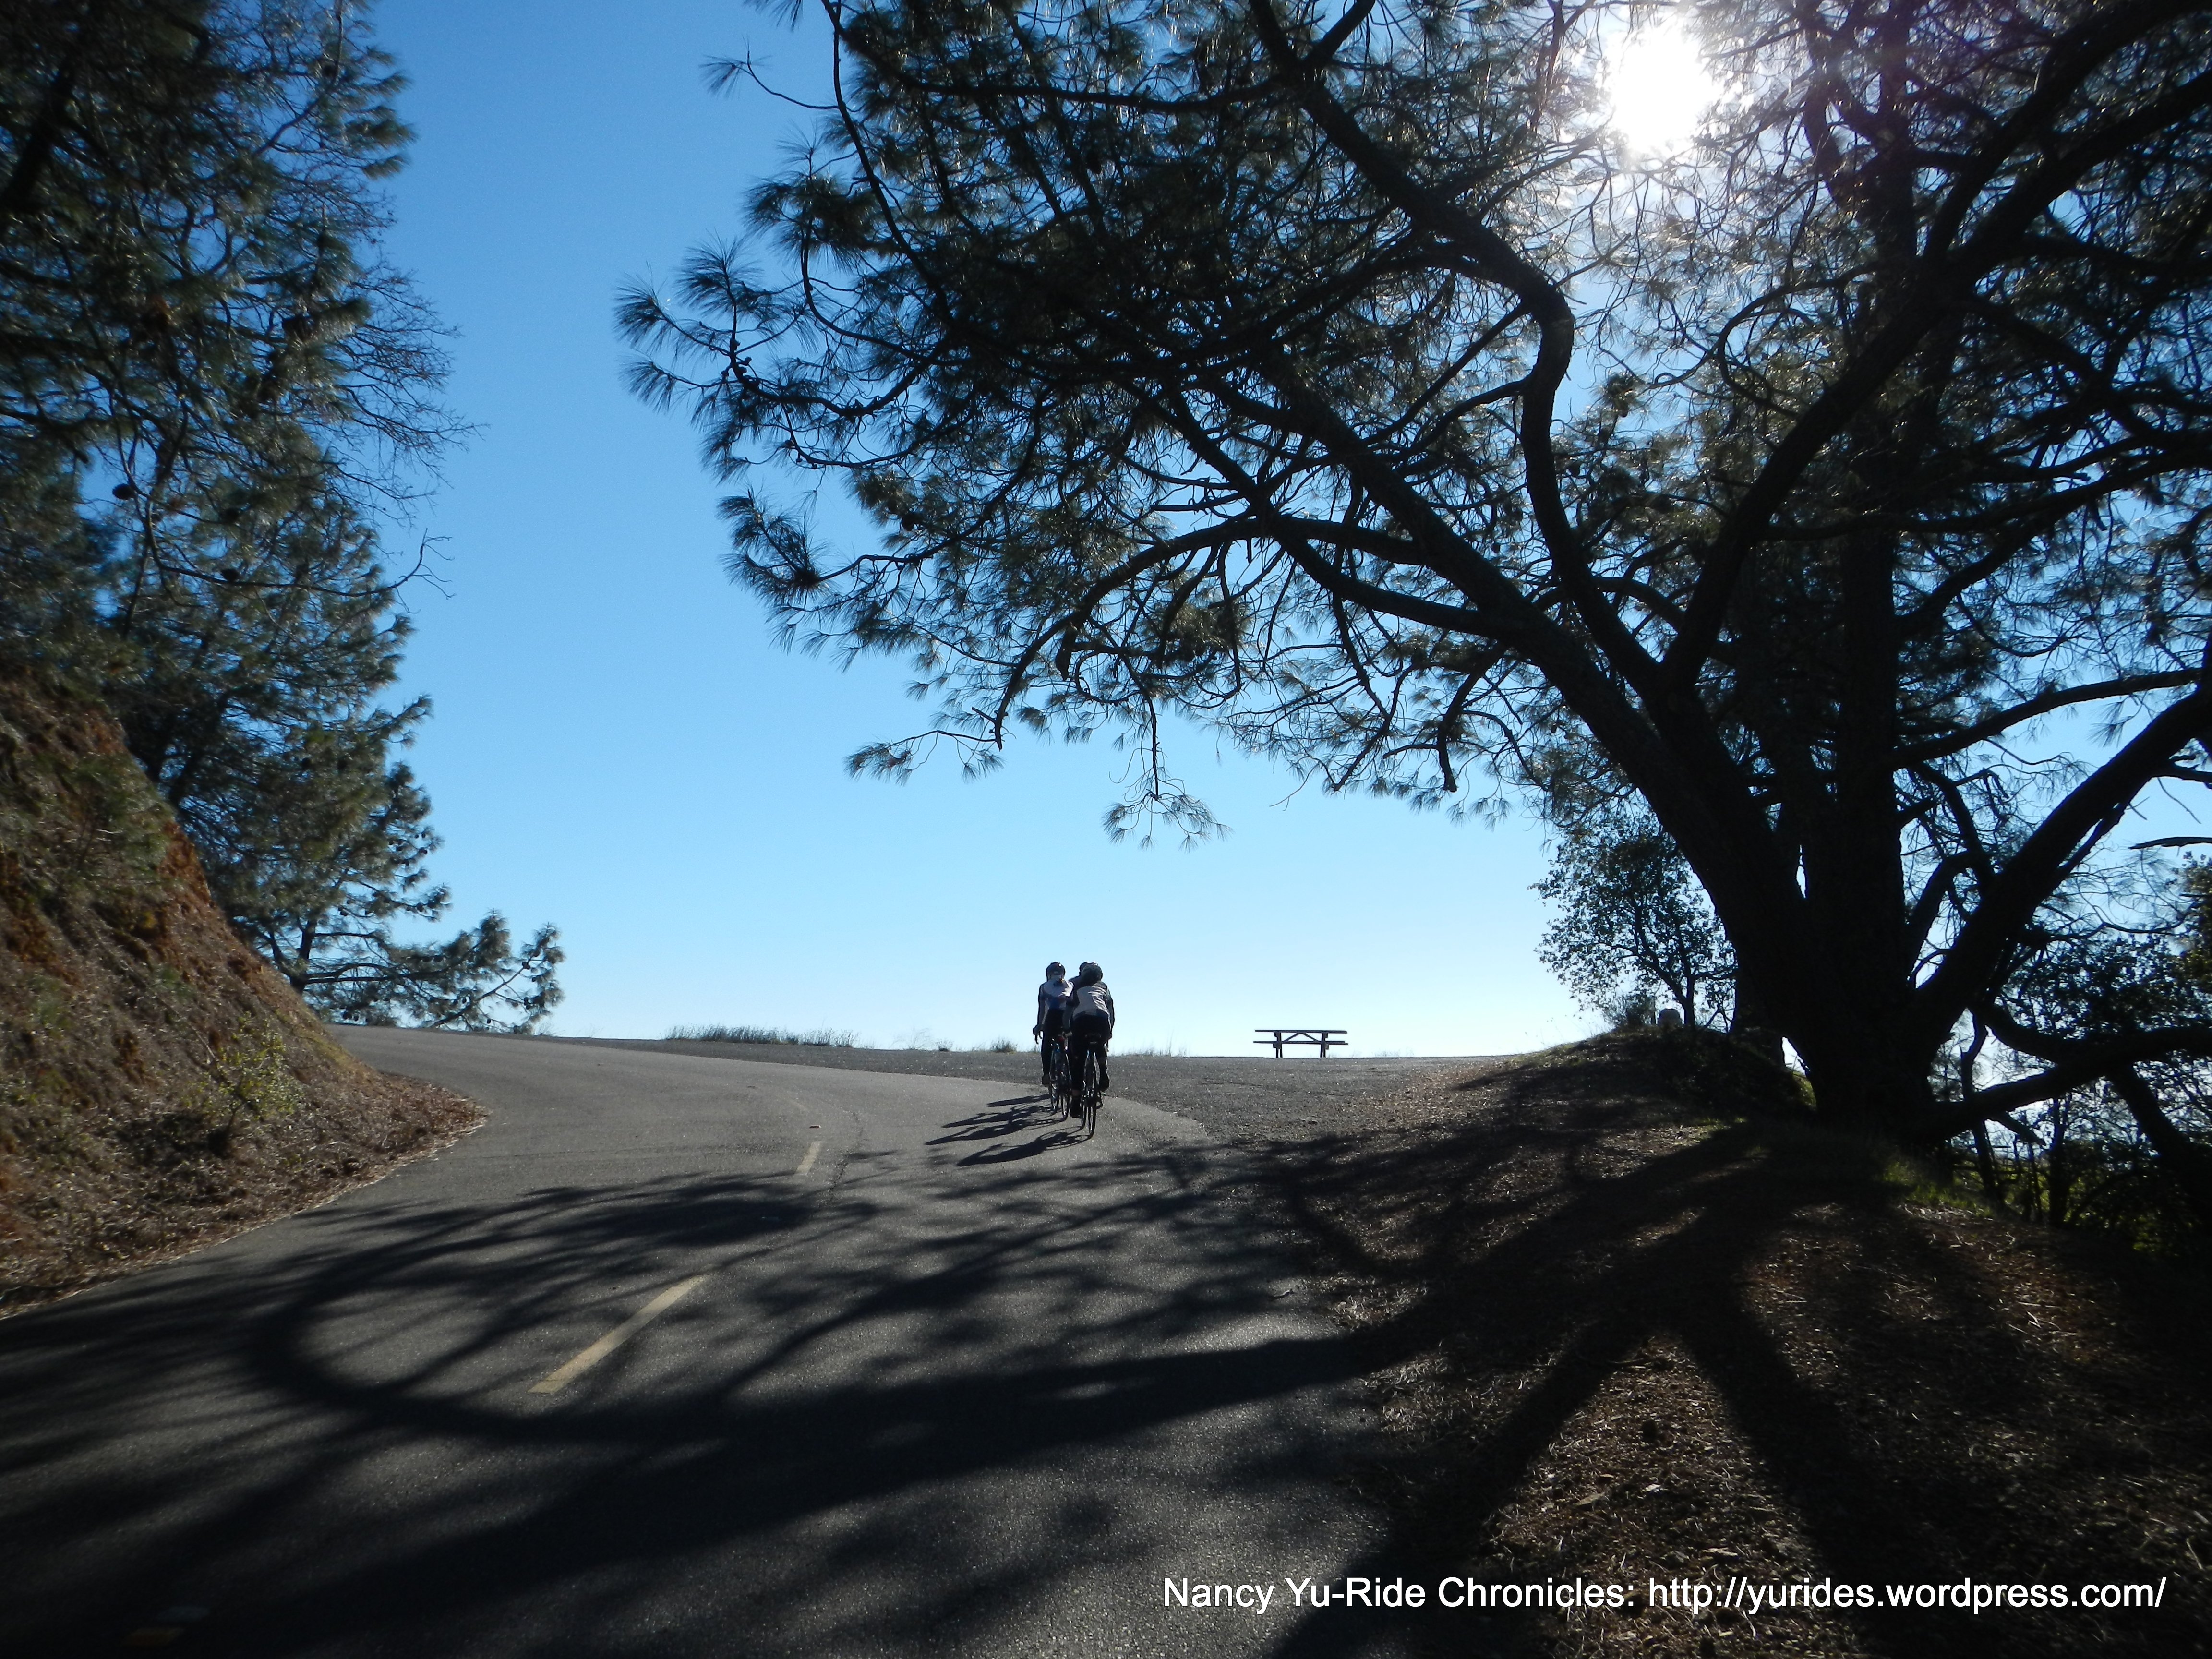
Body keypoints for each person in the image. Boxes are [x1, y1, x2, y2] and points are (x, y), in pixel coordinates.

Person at [1066, 961, 1115, 1093]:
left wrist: (1067, 1028)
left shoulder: (1076, 988)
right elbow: (1110, 1011)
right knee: (1100, 1043)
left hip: (1082, 1022)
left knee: (1079, 1059)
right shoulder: (1103, 988)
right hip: (1103, 1021)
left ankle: (1076, 1099)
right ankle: (1103, 1071)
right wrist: (1110, 1031)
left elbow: (1068, 1010)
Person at [1033, 962, 1071, 1086]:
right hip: (1069, 1016)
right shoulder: (1071, 985)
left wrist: (1040, 1025)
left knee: (1047, 1041)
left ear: (1048, 974)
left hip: (1053, 1016)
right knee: (1072, 1043)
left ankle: (1046, 1074)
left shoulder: (1044, 987)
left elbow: (1042, 1009)